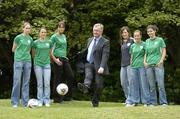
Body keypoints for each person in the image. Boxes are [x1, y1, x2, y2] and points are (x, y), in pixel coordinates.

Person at [77, 23, 110, 107]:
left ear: (101, 31)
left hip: (99, 66)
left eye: (97, 30)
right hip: (88, 63)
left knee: (99, 85)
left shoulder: (105, 42)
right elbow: (87, 51)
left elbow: (105, 55)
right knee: (88, 75)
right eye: (94, 30)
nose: (95, 32)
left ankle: (95, 101)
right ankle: (86, 86)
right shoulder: (90, 40)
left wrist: (102, 67)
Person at [50, 21, 74, 103]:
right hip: (57, 58)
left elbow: (63, 47)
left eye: (63, 27)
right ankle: (56, 98)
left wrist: (65, 56)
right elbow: (50, 50)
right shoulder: (53, 37)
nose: (61, 28)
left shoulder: (64, 36)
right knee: (58, 78)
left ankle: (67, 97)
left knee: (70, 75)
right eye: (60, 27)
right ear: (57, 28)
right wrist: (55, 59)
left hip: (64, 58)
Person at [144, 25, 168, 106]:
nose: (149, 33)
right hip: (149, 66)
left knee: (160, 85)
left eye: (151, 31)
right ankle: (153, 102)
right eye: (148, 31)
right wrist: (145, 62)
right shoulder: (146, 41)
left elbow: (164, 51)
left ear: (155, 31)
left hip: (158, 65)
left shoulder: (160, 40)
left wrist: (161, 61)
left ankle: (163, 102)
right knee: (152, 86)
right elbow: (146, 53)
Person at [11, 22, 33, 107]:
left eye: (29, 28)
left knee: (26, 82)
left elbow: (29, 49)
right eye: (26, 28)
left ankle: (25, 103)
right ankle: (15, 102)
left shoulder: (30, 39)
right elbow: (13, 49)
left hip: (27, 61)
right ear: (23, 28)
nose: (28, 29)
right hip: (18, 60)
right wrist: (19, 54)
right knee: (17, 81)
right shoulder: (18, 37)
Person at [126, 30, 150, 107]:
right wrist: (131, 64)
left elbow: (147, 54)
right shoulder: (132, 46)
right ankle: (135, 101)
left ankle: (146, 101)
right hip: (133, 67)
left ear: (140, 36)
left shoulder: (144, 44)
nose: (136, 37)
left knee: (143, 84)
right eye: (135, 36)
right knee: (134, 85)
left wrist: (145, 62)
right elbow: (132, 56)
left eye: (138, 35)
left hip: (142, 67)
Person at [32, 27, 52, 107]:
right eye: (42, 32)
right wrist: (37, 60)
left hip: (47, 64)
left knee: (47, 83)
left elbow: (50, 53)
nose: (43, 34)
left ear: (46, 33)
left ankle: (46, 100)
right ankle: (40, 100)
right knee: (40, 84)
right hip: (38, 65)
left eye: (45, 32)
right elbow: (33, 54)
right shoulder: (35, 42)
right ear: (39, 33)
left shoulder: (49, 42)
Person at [119, 26, 134, 102]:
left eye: (125, 32)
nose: (124, 34)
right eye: (122, 33)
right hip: (123, 65)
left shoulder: (132, 40)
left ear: (128, 33)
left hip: (130, 64)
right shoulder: (122, 42)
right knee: (123, 83)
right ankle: (128, 98)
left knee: (131, 83)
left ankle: (131, 100)